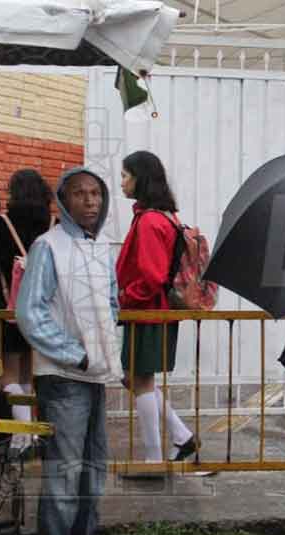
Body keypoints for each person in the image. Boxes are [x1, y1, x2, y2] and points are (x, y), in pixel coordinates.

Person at [16, 167, 125, 535]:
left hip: (94, 373)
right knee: (64, 472)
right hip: (64, 376)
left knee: (92, 469)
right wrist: (74, 353)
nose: (90, 201)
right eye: (80, 194)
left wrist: (101, 349)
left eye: (96, 193)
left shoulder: (100, 248)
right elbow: (31, 313)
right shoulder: (48, 247)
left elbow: (111, 301)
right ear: (63, 201)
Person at [115, 151, 198, 467]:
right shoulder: (165, 216)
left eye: (125, 175)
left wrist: (123, 297)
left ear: (140, 178)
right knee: (135, 379)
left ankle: (153, 458)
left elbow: (151, 276)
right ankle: (181, 438)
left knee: (140, 381)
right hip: (154, 310)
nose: (122, 181)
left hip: (147, 310)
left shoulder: (150, 220)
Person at [0, 170, 53, 440]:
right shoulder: (53, 224)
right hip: (43, 311)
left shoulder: (2, 224)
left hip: (8, 310)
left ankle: (24, 437)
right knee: (27, 373)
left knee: (7, 376)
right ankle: (31, 433)